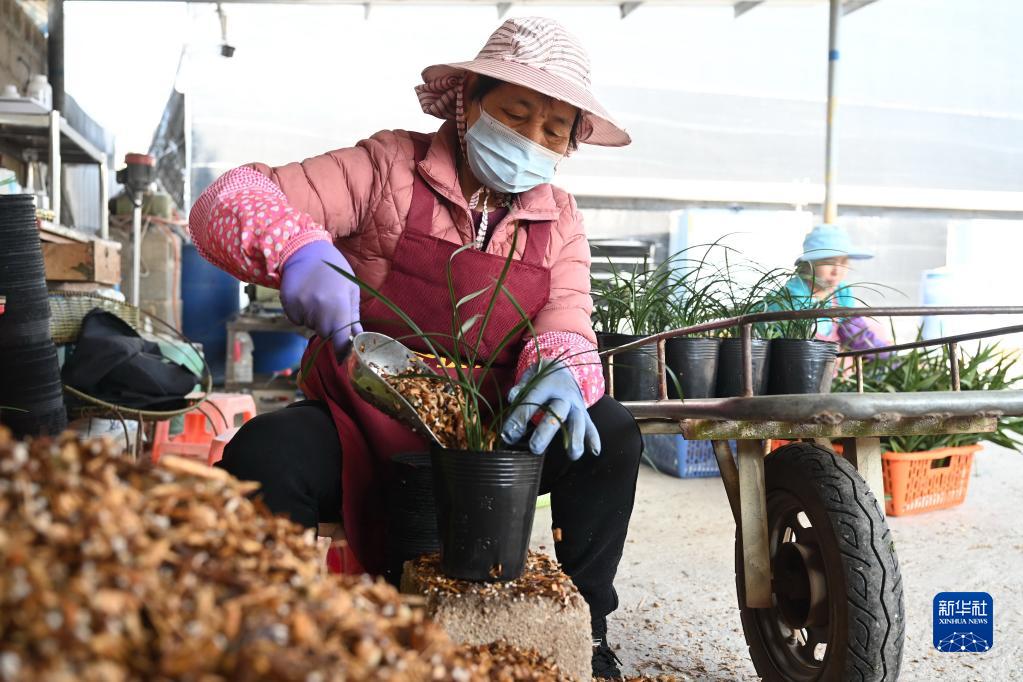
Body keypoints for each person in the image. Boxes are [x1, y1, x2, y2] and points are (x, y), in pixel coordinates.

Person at [189, 17, 641, 678]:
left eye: (553, 130)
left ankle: (588, 629)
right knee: (265, 454)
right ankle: (260, 635)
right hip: (361, 415)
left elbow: (566, 315)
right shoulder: (386, 167)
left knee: (611, 435)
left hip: (489, 432)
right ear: (467, 102)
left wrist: (562, 371)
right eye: (515, 114)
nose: (531, 141)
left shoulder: (559, 217)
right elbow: (229, 196)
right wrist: (297, 251)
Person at [781, 224, 891, 351]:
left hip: (837, 365)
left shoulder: (841, 291)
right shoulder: (794, 294)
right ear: (808, 265)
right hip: (801, 362)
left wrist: (890, 357)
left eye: (844, 262)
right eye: (829, 262)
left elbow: (856, 335)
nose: (837, 271)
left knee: (875, 327)